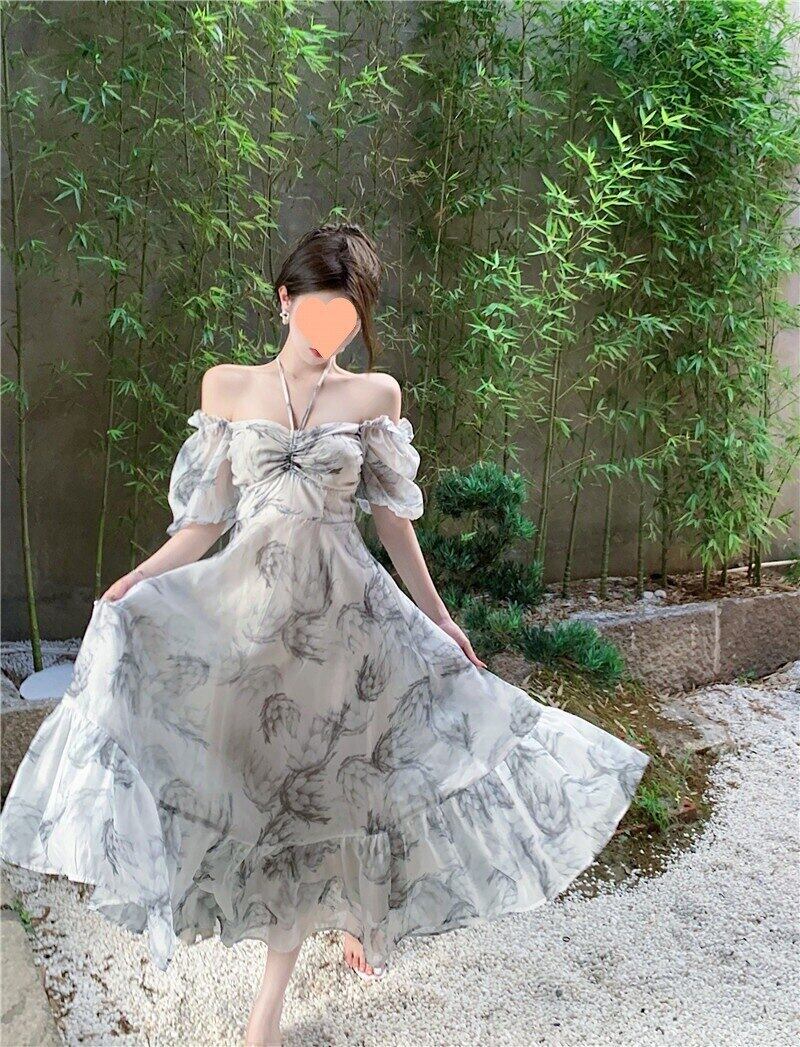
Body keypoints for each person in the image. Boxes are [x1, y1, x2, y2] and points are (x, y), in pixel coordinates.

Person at [0, 223, 650, 1047]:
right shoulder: (228, 387)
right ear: (284, 300)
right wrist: (137, 580)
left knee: (338, 785)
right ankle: (340, 912)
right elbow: (204, 522)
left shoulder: (374, 397)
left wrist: (440, 616)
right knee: (271, 792)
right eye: (317, 311)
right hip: (252, 623)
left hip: (346, 624)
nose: (329, 332)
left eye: (347, 317)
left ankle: (270, 1008)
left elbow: (394, 524)